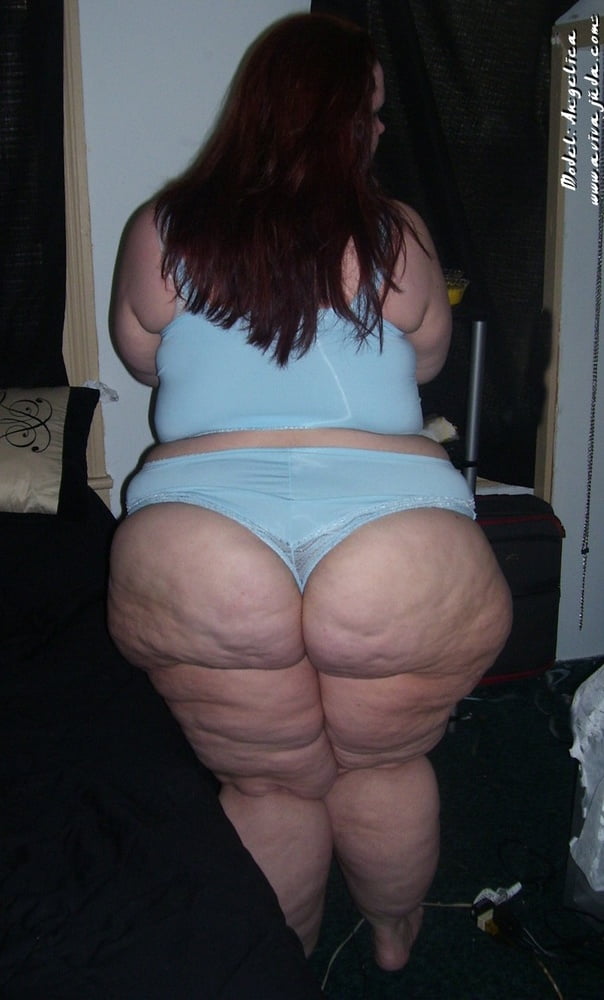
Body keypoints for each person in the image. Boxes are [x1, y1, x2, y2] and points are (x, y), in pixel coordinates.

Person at [107, 12, 512, 972]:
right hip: (396, 538)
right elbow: (426, 365)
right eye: (369, 111)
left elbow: (142, 358)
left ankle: (282, 965)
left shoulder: (164, 227)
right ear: (336, 121)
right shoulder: (396, 233)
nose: (380, 128)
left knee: (268, 785)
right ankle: (393, 939)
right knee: (385, 764)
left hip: (200, 542)